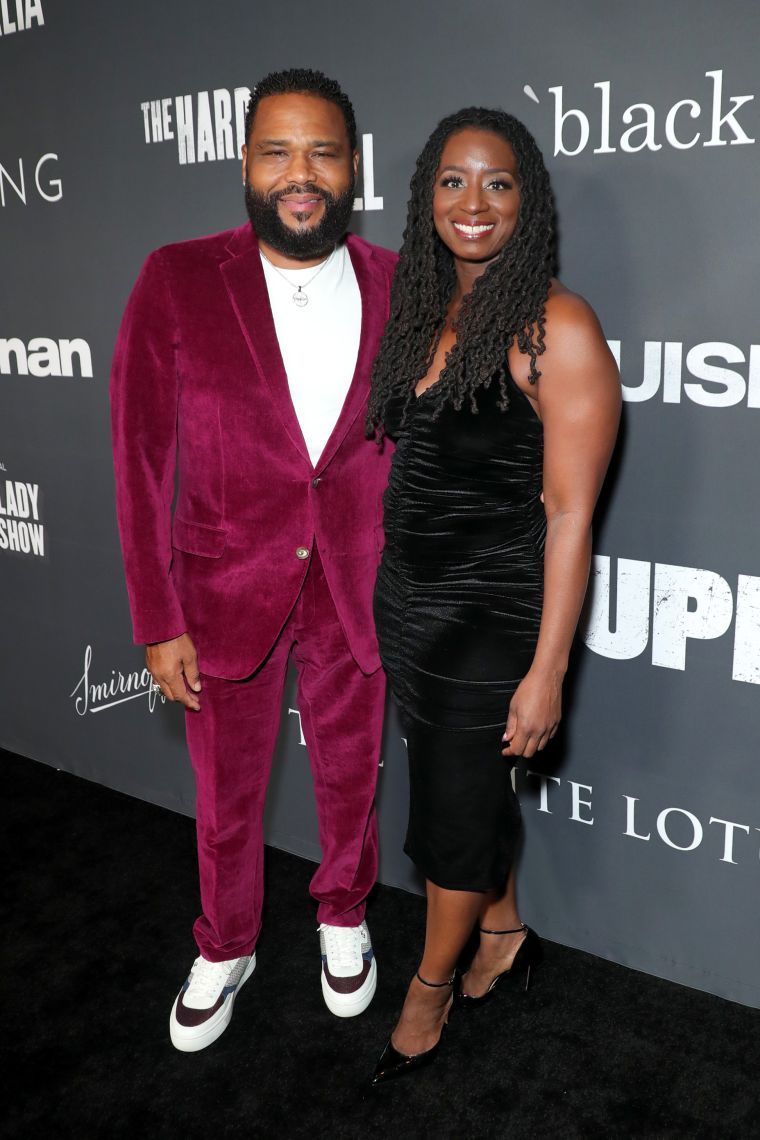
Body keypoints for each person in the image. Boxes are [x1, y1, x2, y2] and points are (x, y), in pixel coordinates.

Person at [110, 69, 397, 1052]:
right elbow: (140, 453)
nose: (299, 173)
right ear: (245, 163)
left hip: (358, 585)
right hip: (222, 585)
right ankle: (226, 943)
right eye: (277, 150)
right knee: (226, 794)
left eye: (321, 150)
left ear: (351, 165)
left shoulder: (403, 283)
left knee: (350, 774)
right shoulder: (177, 276)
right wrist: (155, 617)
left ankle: (343, 914)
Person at [366, 106, 621, 1083]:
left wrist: (547, 670)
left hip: (490, 621)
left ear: (530, 201)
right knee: (465, 792)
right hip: (410, 606)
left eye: (499, 182)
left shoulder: (556, 325)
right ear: (426, 194)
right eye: (452, 181)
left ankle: (425, 1000)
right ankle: (505, 931)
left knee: (452, 821)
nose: (473, 202)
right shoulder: (424, 309)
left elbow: (566, 515)